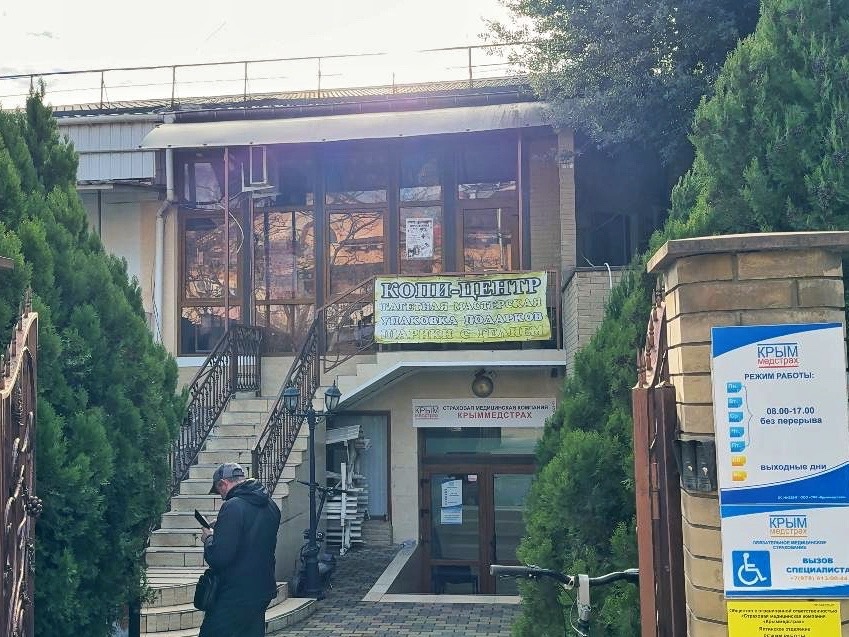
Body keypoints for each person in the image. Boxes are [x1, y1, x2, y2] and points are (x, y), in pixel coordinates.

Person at [199, 462, 281, 637]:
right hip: (262, 589)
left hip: (235, 593)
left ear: (223, 483)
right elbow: (254, 539)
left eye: (219, 490)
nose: (222, 497)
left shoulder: (233, 506)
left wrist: (208, 538)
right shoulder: (271, 505)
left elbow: (219, 557)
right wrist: (223, 526)